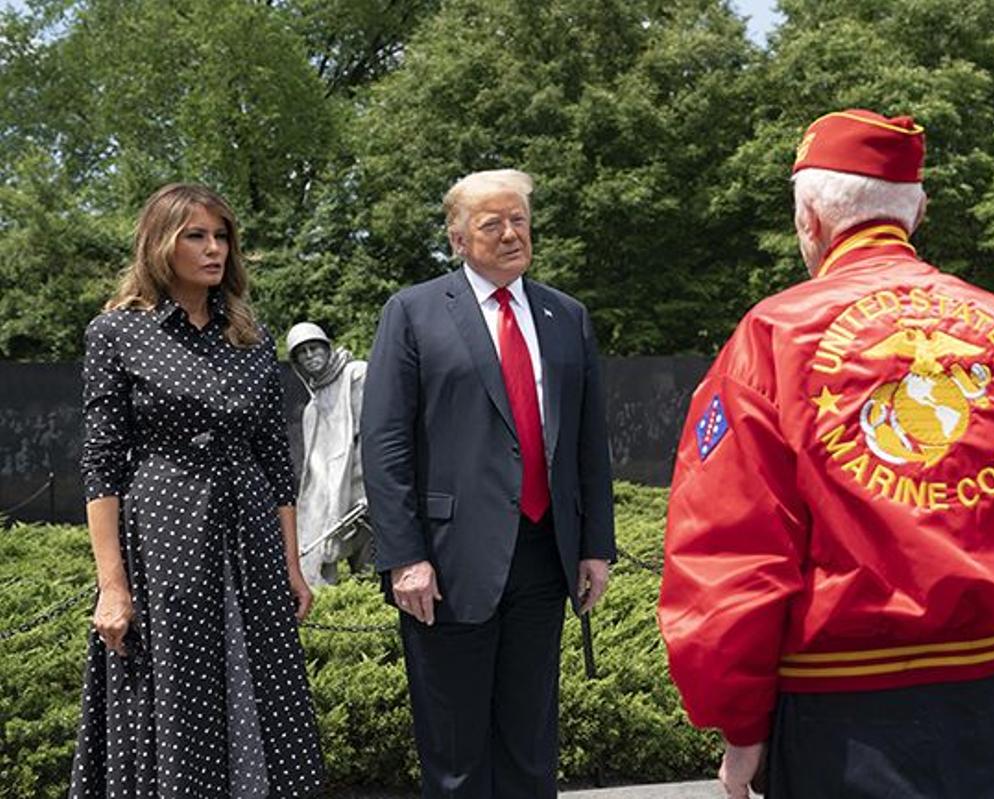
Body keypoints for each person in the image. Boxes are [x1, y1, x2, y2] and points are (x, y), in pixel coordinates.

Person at [658, 110, 994, 799]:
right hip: (990, 704)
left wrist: (739, 723)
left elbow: (729, 550)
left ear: (808, 218)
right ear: (918, 210)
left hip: (839, 720)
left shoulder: (772, 337)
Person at [361, 168, 615, 798]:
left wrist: (596, 546)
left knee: (532, 746)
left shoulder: (565, 315)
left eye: (520, 220)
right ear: (457, 238)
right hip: (445, 566)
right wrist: (405, 557)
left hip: (542, 554)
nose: (511, 235)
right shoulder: (414, 313)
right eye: (492, 224)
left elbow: (589, 441)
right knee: (455, 753)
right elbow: (385, 441)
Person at [72, 183, 324, 798]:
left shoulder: (252, 337)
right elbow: (102, 464)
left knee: (264, 688)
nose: (214, 249)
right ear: (161, 244)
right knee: (179, 692)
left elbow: (274, 459)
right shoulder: (116, 333)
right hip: (165, 534)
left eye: (222, 236)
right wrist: (112, 587)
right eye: (196, 236)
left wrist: (292, 564)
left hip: (251, 536)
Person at [287, 321, 371, 587]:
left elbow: (378, 435)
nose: (310, 356)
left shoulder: (356, 375)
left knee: (372, 572)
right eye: (302, 353)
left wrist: (376, 487)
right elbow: (315, 472)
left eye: (314, 348)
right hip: (333, 502)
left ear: (326, 347)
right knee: (317, 561)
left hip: (365, 494)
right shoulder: (311, 409)